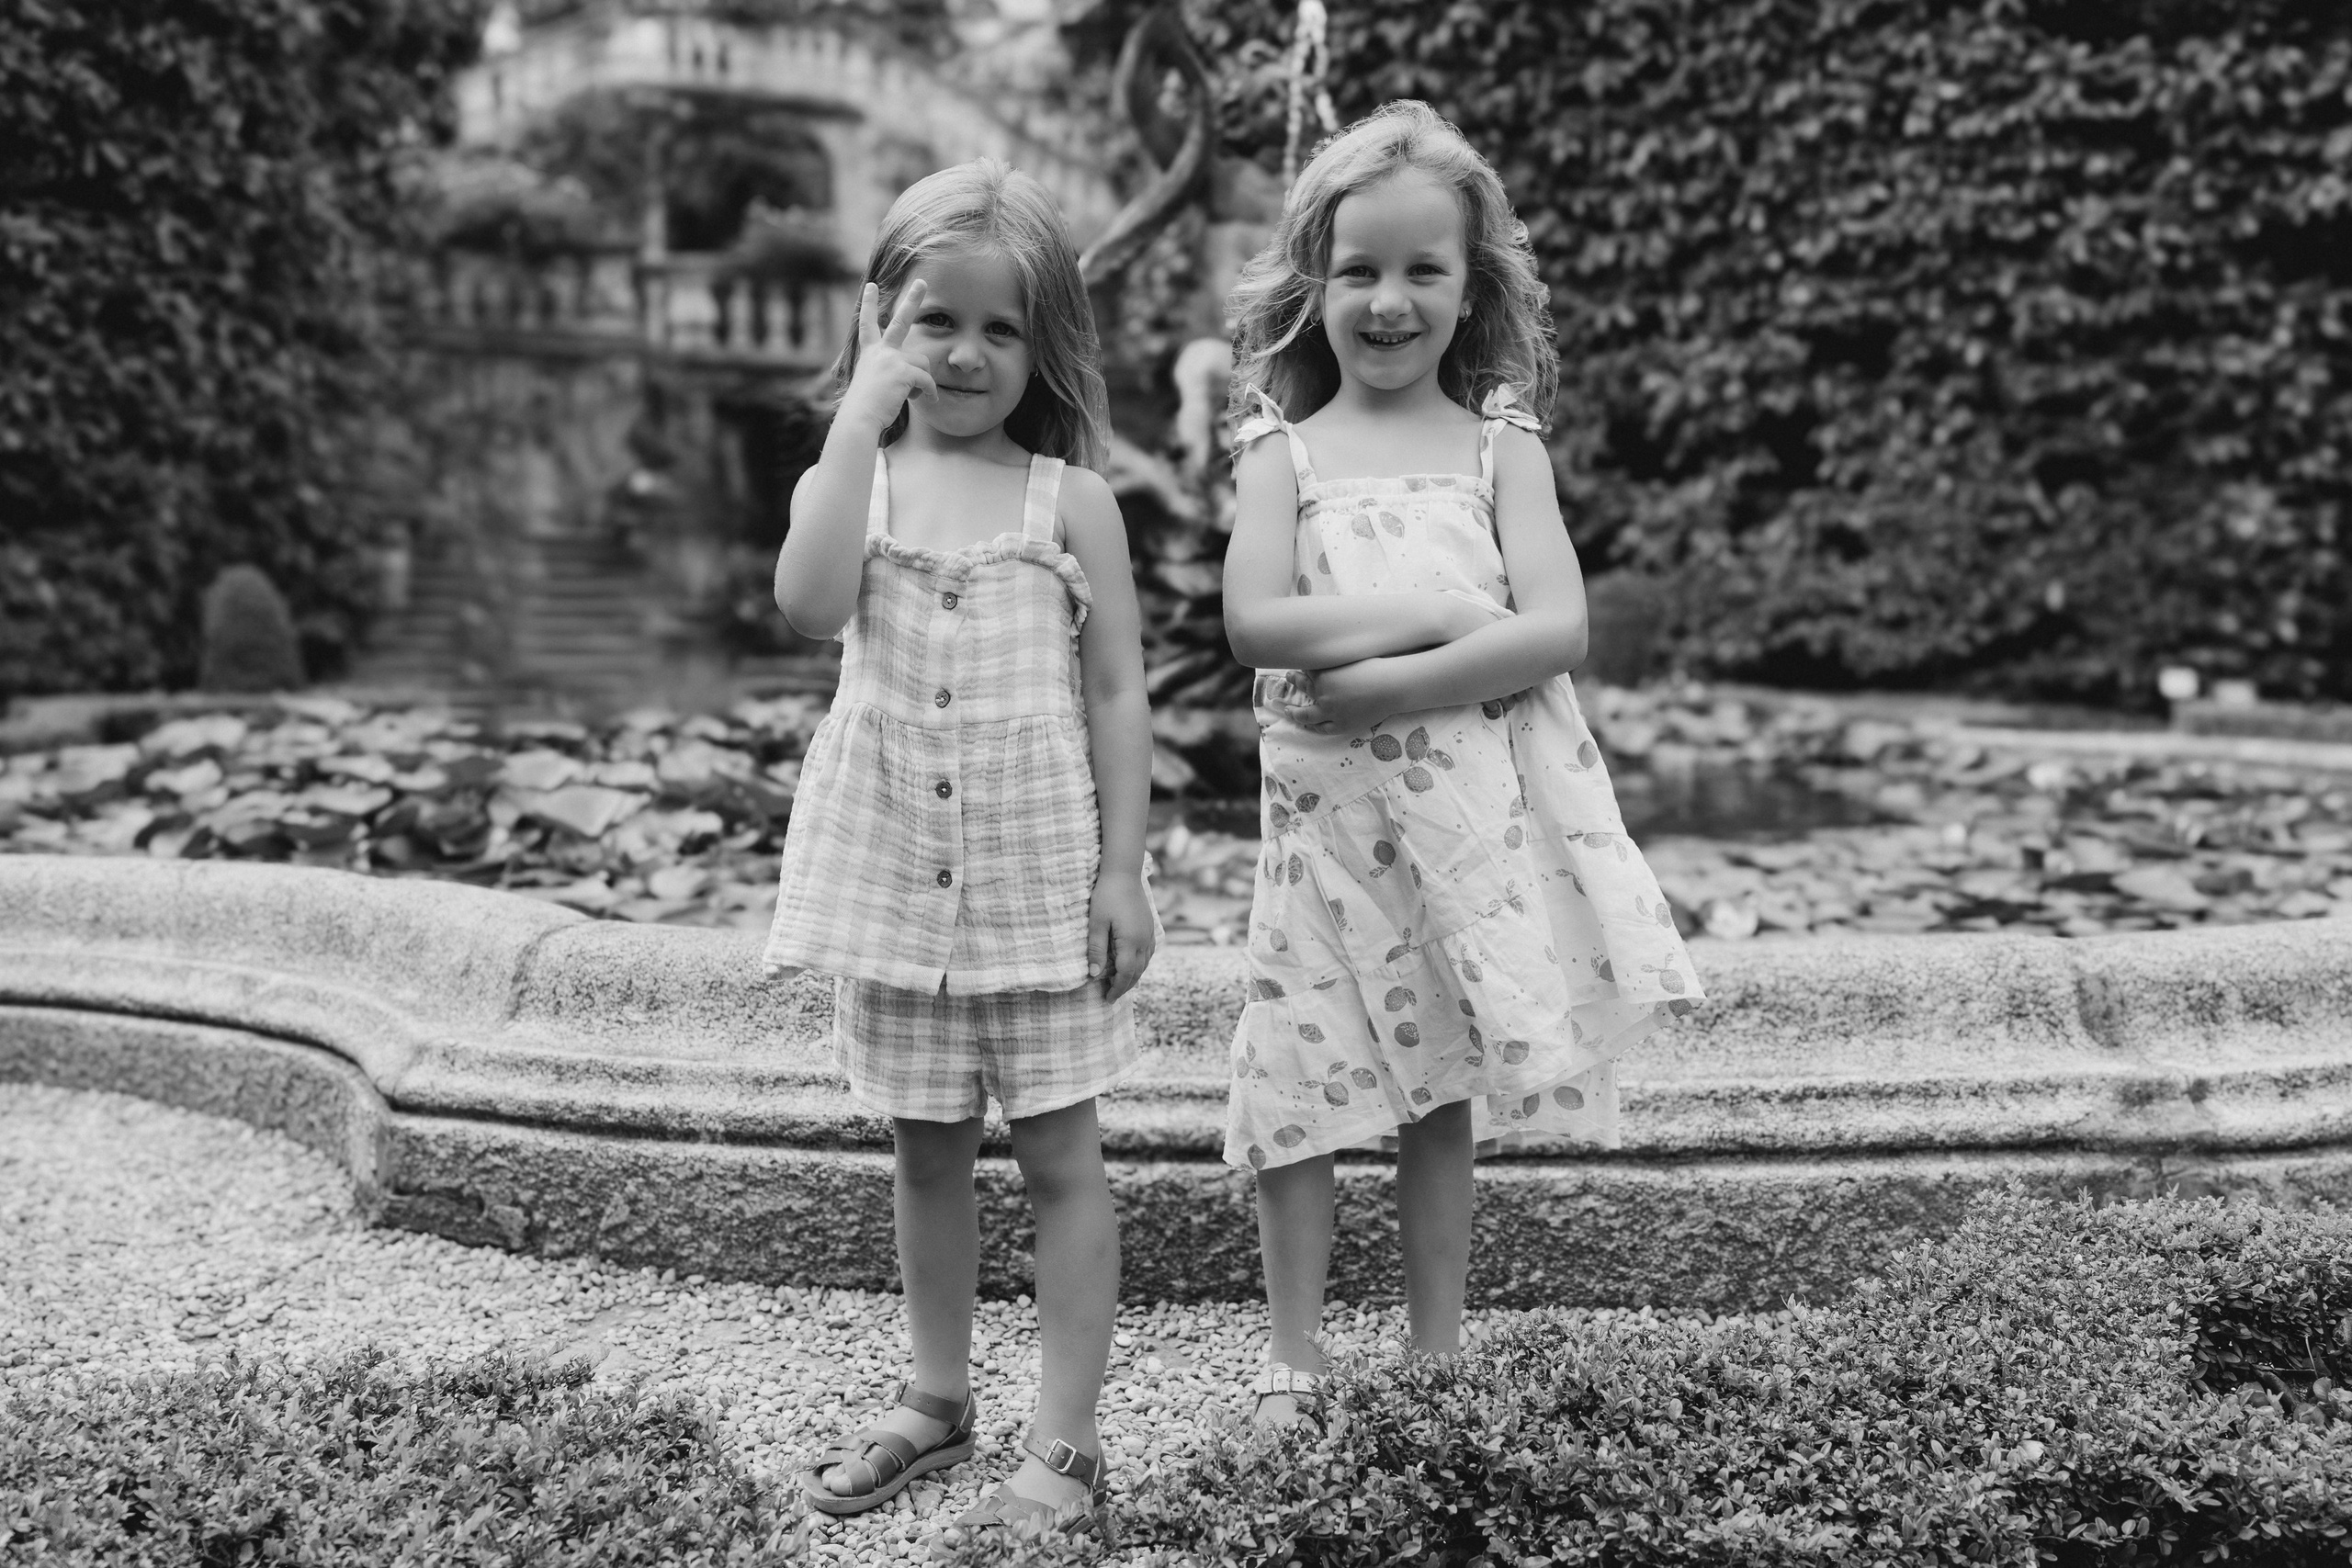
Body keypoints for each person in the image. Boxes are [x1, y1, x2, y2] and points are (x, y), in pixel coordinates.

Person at [1219, 102, 1703, 1427]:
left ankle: (1435, 1355)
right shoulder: (1283, 454)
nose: (1388, 302)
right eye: (1358, 271)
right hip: (1325, 834)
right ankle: (1293, 1358)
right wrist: (1444, 615)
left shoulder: (1501, 447)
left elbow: (1558, 629)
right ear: (1312, 283)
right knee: (1299, 1079)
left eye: (1422, 270)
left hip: (1457, 835)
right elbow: (1255, 623)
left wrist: (1390, 680)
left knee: (1438, 1089)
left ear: (1472, 285)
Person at [766, 158, 1156, 1541]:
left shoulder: (1068, 502)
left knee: (1061, 1160)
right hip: (894, 883)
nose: (968, 353)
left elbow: (1118, 691)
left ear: (1045, 345)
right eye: (937, 320)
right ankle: (936, 1400)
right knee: (926, 1153)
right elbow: (809, 605)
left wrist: (1124, 872)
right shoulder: (855, 485)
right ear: (882, 318)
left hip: (1035, 883)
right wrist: (853, 427)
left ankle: (1067, 1442)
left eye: (1003, 328)